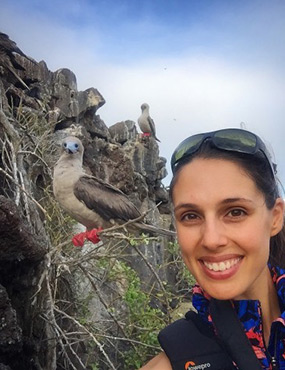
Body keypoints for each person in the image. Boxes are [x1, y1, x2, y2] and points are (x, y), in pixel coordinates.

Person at [140, 128, 285, 370]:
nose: (211, 239)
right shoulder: (173, 362)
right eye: (190, 216)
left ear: (275, 218)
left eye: (235, 212)